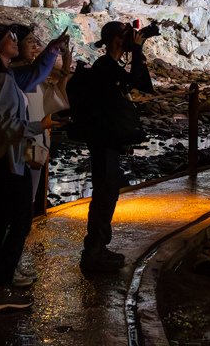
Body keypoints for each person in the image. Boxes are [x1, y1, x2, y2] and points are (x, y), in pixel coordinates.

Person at [0, 20, 68, 311]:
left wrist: (53, 51)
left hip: (7, 162)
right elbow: (8, 127)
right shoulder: (2, 80)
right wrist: (43, 124)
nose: (15, 40)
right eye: (9, 38)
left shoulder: (3, 76)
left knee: (3, 223)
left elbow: (36, 73)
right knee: (17, 222)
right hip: (8, 163)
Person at [80, 21, 153, 273]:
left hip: (108, 138)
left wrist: (137, 53)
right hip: (102, 139)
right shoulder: (104, 66)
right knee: (104, 191)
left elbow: (142, 85)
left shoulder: (110, 66)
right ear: (115, 40)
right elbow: (132, 80)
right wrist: (138, 50)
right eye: (125, 37)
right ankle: (94, 251)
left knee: (108, 190)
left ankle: (98, 248)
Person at [7, 30, 74, 286]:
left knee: (25, 209)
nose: (35, 46)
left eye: (37, 43)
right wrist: (54, 53)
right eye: (29, 43)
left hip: (34, 147)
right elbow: (41, 83)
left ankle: (14, 262)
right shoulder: (16, 77)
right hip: (21, 147)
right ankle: (8, 267)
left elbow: (52, 99)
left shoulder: (29, 77)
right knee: (18, 211)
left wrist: (65, 67)